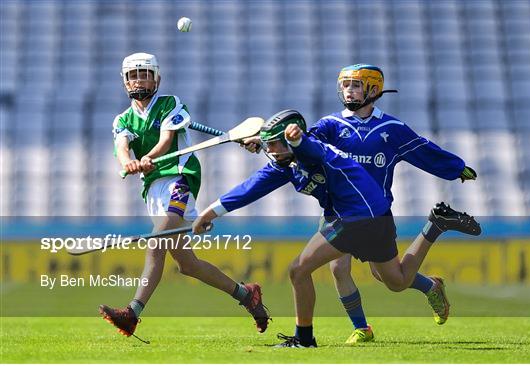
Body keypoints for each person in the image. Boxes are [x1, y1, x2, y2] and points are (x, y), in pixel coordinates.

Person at [193, 109, 480, 348]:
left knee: (298, 270)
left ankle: (304, 339)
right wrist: (210, 212)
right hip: (373, 214)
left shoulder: (313, 151)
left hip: (355, 217)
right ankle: (434, 226)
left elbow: (308, 147)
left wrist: (297, 139)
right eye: (268, 146)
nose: (270, 151)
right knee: (396, 280)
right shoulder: (284, 164)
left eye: (275, 145)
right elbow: (250, 188)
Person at [243, 64, 478, 345]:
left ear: (373, 89)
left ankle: (432, 260)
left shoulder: (391, 128)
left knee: (391, 280)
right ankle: (362, 328)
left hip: (375, 214)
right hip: (338, 211)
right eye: (345, 85)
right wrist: (264, 142)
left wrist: (456, 167)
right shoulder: (331, 125)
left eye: (355, 85)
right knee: (338, 268)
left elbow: (424, 150)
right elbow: (300, 144)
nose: (349, 91)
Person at [99, 53, 269, 342]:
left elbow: (166, 140)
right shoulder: (123, 119)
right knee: (187, 265)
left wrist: (149, 157)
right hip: (153, 188)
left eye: (144, 74)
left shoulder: (170, 104)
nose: (138, 79)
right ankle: (247, 295)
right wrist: (128, 162)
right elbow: (122, 145)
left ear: (157, 78)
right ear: (125, 81)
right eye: (133, 75)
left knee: (155, 241)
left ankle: (132, 312)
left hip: (179, 178)